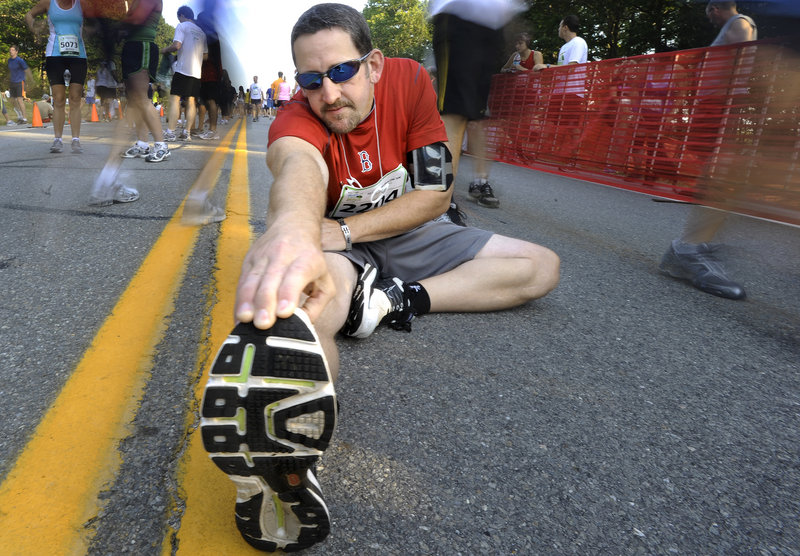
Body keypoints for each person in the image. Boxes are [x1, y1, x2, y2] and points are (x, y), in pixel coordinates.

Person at [198, 3, 560, 552]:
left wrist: (345, 233)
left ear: (374, 65)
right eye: (311, 80)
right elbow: (297, 168)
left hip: (401, 231)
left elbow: (435, 192)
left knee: (541, 267)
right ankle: (290, 461)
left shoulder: (412, 82)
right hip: (338, 246)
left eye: (341, 72)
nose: (328, 94)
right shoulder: (298, 115)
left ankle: (393, 301)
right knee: (308, 312)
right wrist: (295, 230)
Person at [658, 1, 756, 300]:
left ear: (715, 8)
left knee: (724, 162)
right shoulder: (736, 25)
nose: (710, 19)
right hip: (718, 102)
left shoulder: (739, 23)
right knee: (718, 161)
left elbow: (741, 62)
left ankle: (693, 244)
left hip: (721, 103)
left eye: (709, 13)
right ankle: (693, 243)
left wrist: (731, 98)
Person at [430, 0, 524, 213]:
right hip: (457, 14)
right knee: (454, 113)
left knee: (478, 116)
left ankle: (479, 182)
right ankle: (440, 198)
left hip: (492, 22)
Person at [88, 0, 172, 206]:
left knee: (141, 99)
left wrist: (110, 29)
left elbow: (136, 18)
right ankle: (141, 145)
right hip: (131, 47)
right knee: (133, 103)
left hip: (142, 46)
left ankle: (161, 145)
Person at [26, 0, 89, 153]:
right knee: (58, 99)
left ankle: (76, 140)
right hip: (55, 55)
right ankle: (58, 140)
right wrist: (34, 29)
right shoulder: (48, 3)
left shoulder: (83, 4)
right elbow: (29, 15)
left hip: (78, 55)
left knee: (75, 98)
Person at [161, 5, 207, 142]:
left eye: (179, 18)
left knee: (175, 99)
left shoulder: (182, 26)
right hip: (196, 72)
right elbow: (205, 56)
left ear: (181, 15)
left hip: (182, 69)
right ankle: (186, 132)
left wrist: (165, 50)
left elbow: (177, 45)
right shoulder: (201, 32)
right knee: (191, 101)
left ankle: (170, 132)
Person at [7, 46, 34, 125]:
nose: (10, 51)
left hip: (19, 82)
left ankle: (24, 119)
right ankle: (20, 116)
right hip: (12, 82)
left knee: (19, 100)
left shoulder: (20, 60)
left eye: (12, 50)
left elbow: (27, 70)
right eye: (10, 50)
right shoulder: (9, 60)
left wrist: (31, 79)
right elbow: (11, 71)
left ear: (16, 52)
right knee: (12, 100)